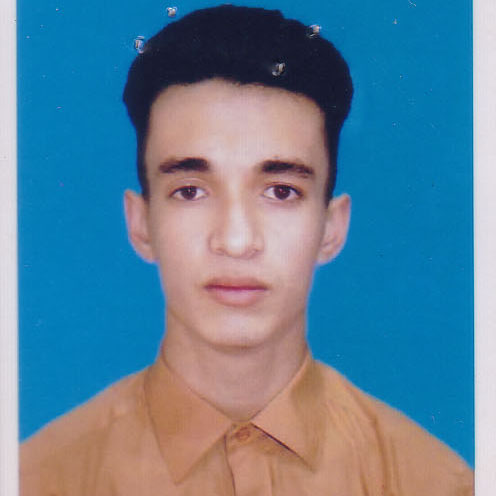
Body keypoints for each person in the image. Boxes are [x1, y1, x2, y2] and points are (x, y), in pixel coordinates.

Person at [20, 5, 473, 495]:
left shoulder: (435, 483)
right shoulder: (38, 479)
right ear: (141, 223)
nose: (236, 242)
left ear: (331, 227)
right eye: (190, 191)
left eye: (281, 191)